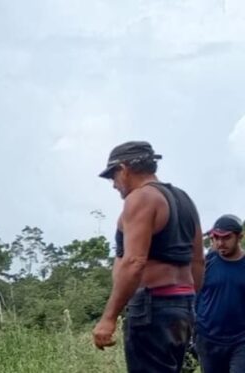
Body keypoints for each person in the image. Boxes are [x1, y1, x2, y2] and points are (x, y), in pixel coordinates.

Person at [92, 141, 204, 373]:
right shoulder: (185, 200)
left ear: (124, 169)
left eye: (113, 176)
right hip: (182, 308)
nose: (114, 185)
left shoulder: (141, 198)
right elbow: (197, 261)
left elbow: (134, 262)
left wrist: (108, 318)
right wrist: (191, 305)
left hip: (153, 308)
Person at [194, 214, 245, 372]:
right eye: (216, 238)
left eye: (226, 238)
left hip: (240, 340)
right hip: (208, 340)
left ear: (240, 237)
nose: (220, 243)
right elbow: (194, 294)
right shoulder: (206, 263)